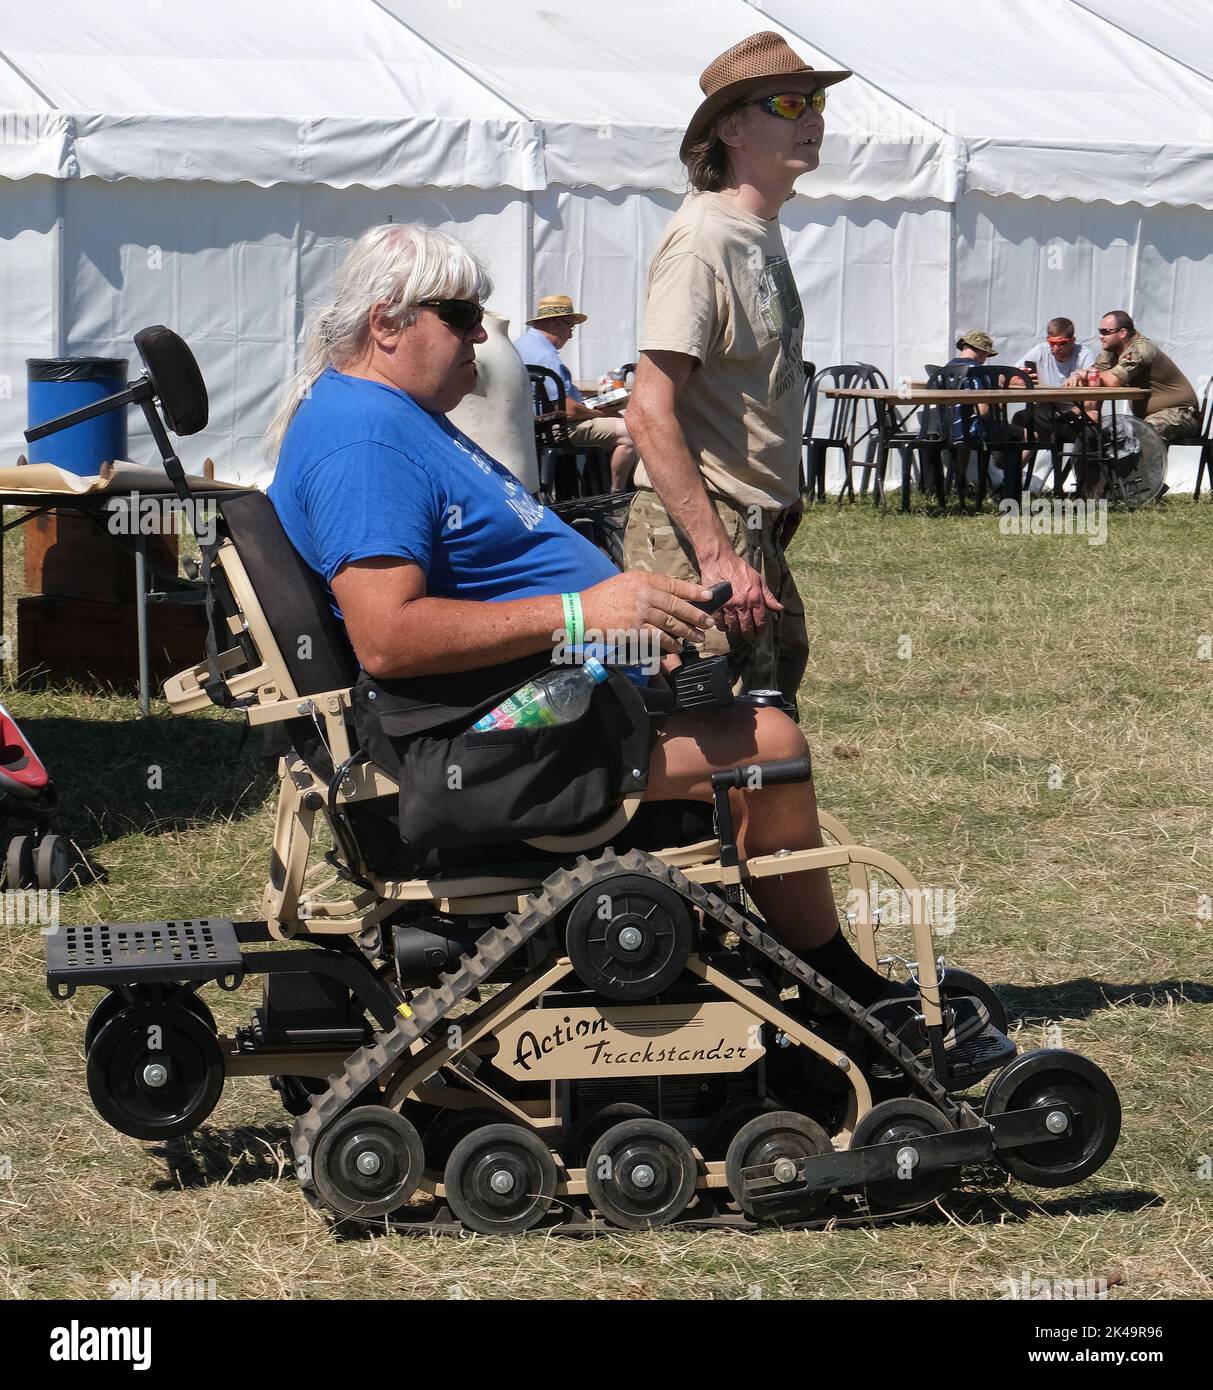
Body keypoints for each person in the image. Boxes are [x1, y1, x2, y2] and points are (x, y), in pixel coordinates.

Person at [264, 222, 985, 1045]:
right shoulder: (365, 439)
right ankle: (845, 1002)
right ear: (386, 323)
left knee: (744, 718)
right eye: (459, 314)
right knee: (769, 745)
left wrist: (623, 618)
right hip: (468, 748)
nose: (480, 335)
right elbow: (389, 636)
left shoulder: (378, 412)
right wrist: (583, 615)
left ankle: (794, 980)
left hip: (498, 712)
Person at [623, 32, 851, 712]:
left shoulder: (756, 229)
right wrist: (718, 555)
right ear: (729, 128)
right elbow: (647, 410)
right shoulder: (702, 241)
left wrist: (779, 493)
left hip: (747, 522)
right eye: (787, 103)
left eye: (814, 102)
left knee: (764, 718)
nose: (811, 118)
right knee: (687, 739)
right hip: (698, 538)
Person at [514, 295, 637, 490]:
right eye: (570, 327)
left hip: (533, 425)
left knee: (613, 422)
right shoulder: (546, 357)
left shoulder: (521, 344)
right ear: (556, 322)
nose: (570, 336)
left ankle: (594, 486)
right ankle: (616, 495)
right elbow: (570, 411)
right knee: (631, 432)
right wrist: (600, 412)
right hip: (555, 426)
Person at [1074, 309, 1200, 443]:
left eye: (1105, 332)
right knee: (1097, 433)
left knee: (1143, 433)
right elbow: (1095, 380)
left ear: (1122, 333)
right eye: (1100, 332)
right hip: (1147, 417)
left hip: (1181, 414)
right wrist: (1089, 411)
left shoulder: (1141, 348)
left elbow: (1112, 380)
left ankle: (1136, 464)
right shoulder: (1111, 352)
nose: (1101, 336)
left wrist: (1085, 374)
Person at [1010, 318, 1095, 489]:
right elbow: (1009, 374)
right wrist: (1018, 378)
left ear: (1073, 340)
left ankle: (1086, 488)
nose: (1056, 349)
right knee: (1021, 418)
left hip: (1075, 414)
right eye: (1052, 343)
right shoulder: (1040, 350)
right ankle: (1011, 479)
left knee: (1092, 426)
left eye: (1062, 344)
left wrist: (1079, 377)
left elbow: (1092, 401)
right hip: (1046, 410)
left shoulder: (1084, 355)